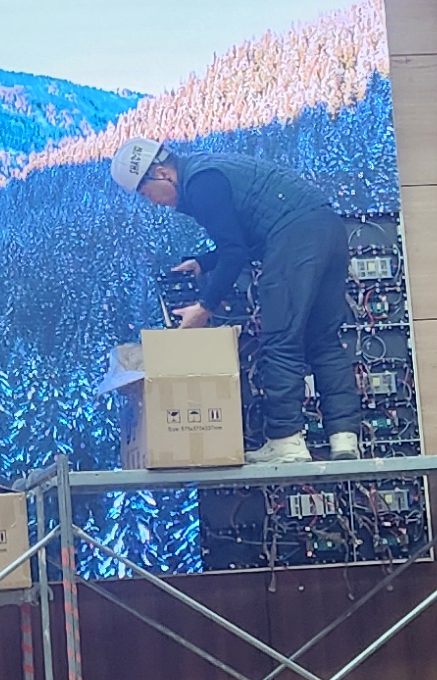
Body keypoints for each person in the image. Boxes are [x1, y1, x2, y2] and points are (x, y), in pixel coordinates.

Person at [109, 137, 361, 466]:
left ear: (162, 174)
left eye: (146, 193)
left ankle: (286, 440)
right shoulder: (209, 171)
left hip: (295, 238)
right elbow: (247, 240)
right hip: (328, 230)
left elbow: (234, 252)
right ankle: (344, 438)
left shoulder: (200, 184)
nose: (154, 203)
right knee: (324, 341)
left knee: (281, 340)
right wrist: (204, 263)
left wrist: (204, 308)